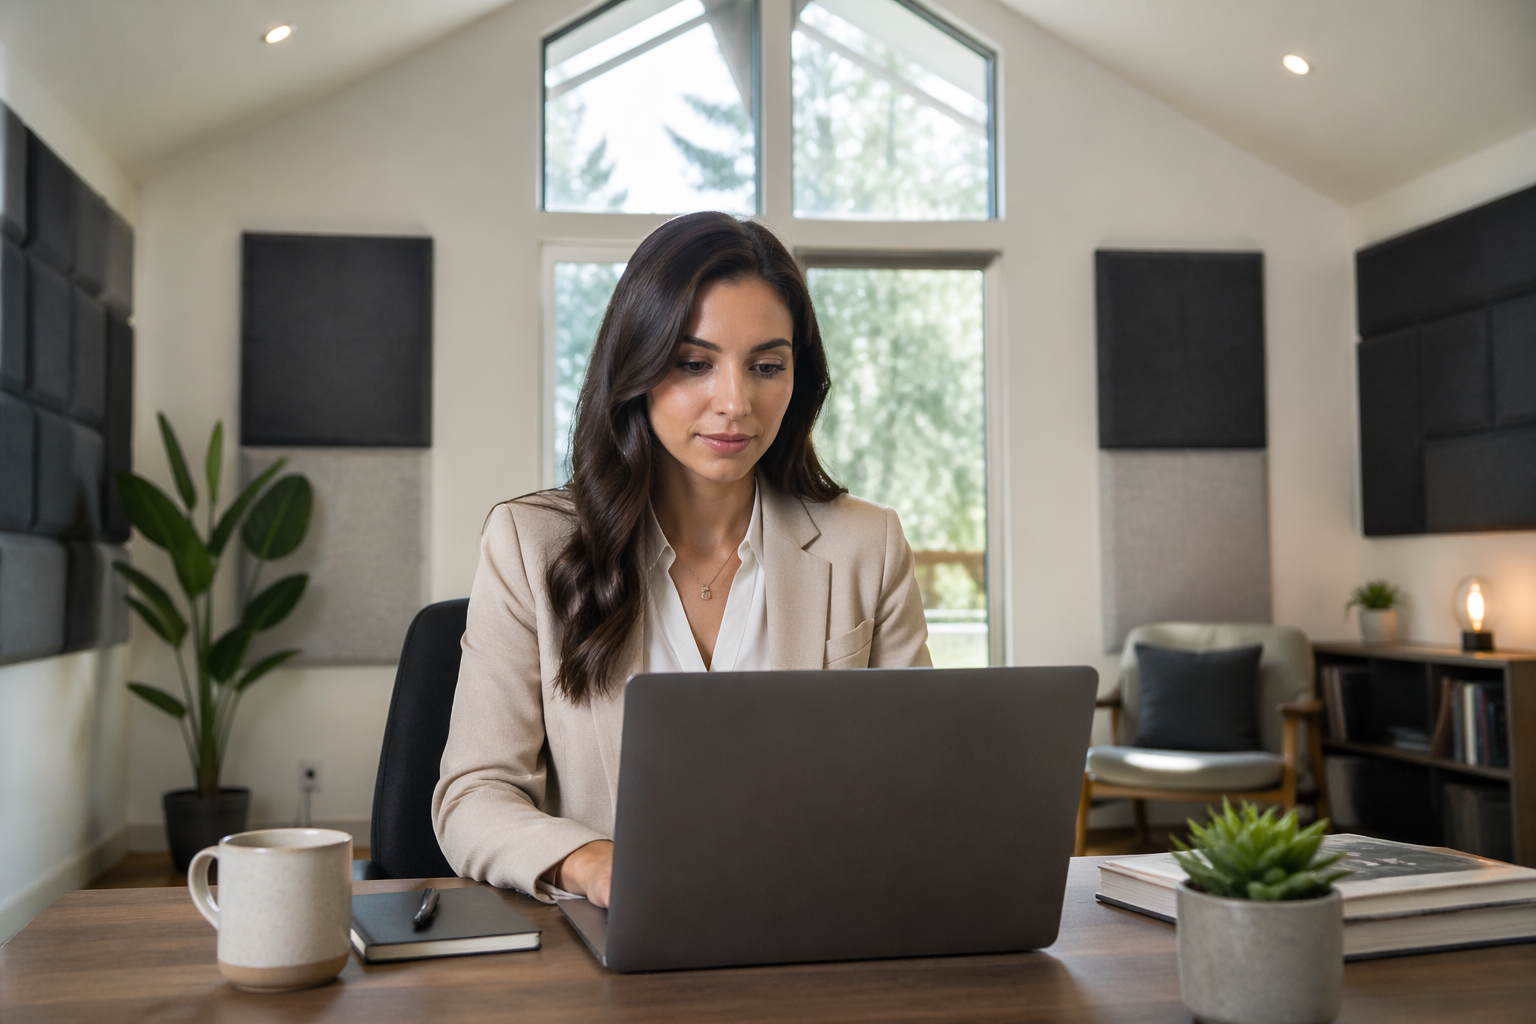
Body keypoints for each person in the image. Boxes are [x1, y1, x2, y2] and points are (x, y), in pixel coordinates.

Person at [432, 212, 931, 907]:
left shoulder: (866, 547)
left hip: (815, 930)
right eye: (694, 363)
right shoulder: (530, 544)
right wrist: (593, 864)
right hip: (619, 946)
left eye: (766, 366)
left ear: (798, 378)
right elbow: (473, 796)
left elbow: (916, 783)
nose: (735, 403)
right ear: (634, 367)